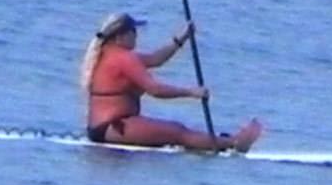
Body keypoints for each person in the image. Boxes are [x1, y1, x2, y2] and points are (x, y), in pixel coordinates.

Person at [81, 12, 262, 151]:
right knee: (178, 132)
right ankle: (233, 143)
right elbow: (155, 90)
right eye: (133, 32)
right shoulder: (123, 58)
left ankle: (225, 141)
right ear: (119, 37)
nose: (136, 36)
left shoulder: (111, 55)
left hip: (105, 127)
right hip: (113, 127)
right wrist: (191, 92)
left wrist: (181, 39)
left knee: (177, 130)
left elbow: (155, 59)